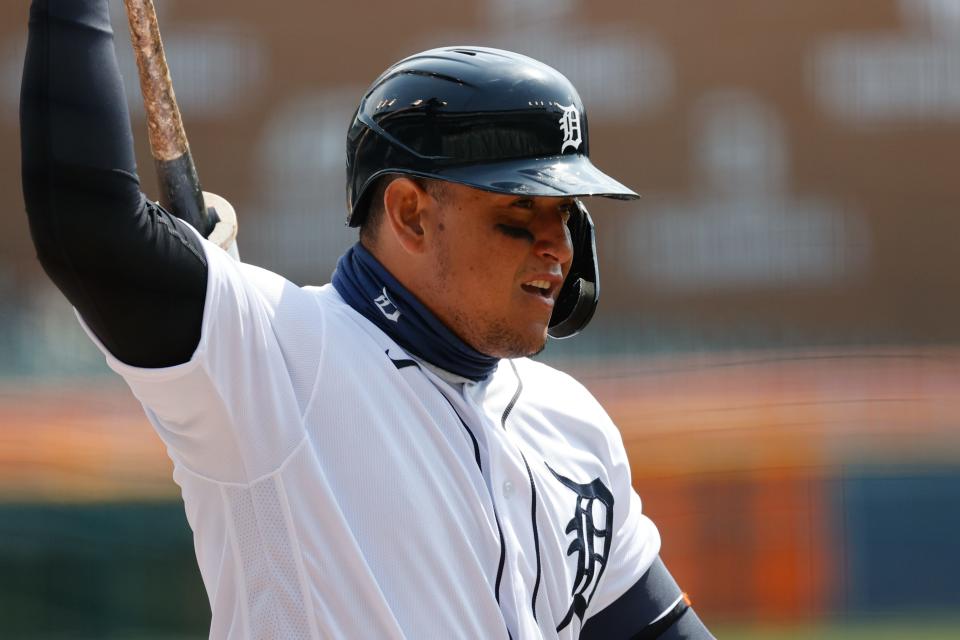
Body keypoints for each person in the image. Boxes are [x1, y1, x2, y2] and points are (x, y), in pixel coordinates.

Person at [20, 1, 714, 638]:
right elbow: (88, 225)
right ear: (410, 213)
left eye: (566, 212)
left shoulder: (573, 422)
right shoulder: (276, 359)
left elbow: (654, 630)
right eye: (518, 211)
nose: (557, 247)